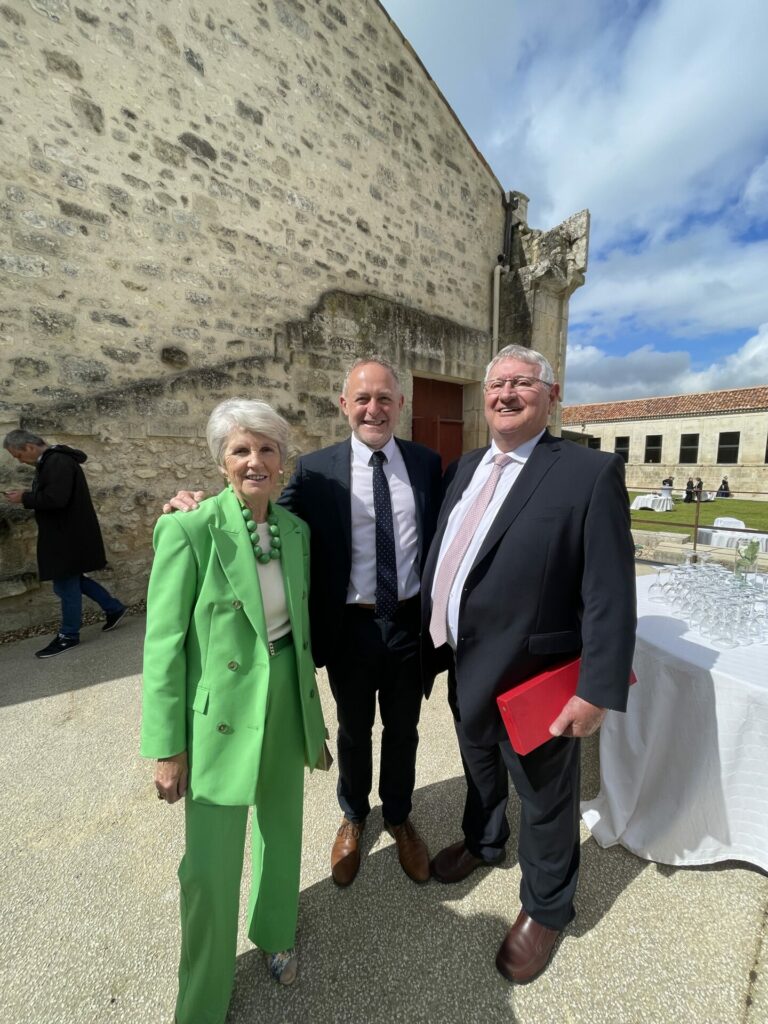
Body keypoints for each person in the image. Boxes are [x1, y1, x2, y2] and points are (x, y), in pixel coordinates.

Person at [164, 358, 443, 888]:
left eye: (384, 398)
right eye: (362, 399)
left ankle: (401, 816)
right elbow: (261, 509)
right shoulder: (318, 469)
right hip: (350, 628)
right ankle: (354, 815)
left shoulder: (427, 464)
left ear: (400, 405)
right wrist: (195, 502)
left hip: (408, 624)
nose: (373, 408)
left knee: (404, 729)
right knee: (354, 729)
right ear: (344, 406)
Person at [422, 344, 636, 984]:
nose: (506, 394)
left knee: (545, 799)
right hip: (466, 663)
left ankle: (546, 907)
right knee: (477, 764)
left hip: (534, 678)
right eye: (497, 384)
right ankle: (486, 842)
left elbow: (609, 593)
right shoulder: (462, 468)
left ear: (551, 393)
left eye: (521, 383)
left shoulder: (586, 473)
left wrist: (595, 689)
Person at [141, 398, 327, 1023]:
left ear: (283, 460)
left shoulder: (296, 532)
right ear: (221, 462)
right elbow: (163, 646)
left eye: (266, 449)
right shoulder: (188, 528)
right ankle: (201, 999)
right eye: (241, 450)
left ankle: (274, 933)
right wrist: (167, 746)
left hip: (283, 701)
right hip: (217, 714)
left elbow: (298, 634)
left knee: (282, 831)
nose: (255, 461)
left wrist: (314, 718)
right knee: (209, 865)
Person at [3, 429, 126, 658]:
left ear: (29, 447)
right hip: (67, 535)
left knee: (65, 586)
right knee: (74, 580)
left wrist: (24, 497)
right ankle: (114, 608)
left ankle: (68, 635)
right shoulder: (53, 460)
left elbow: (56, 499)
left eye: (17, 455)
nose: (18, 460)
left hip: (66, 538)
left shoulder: (56, 461)